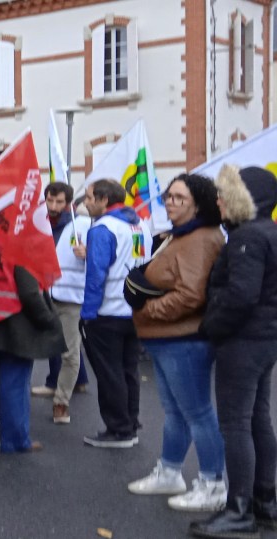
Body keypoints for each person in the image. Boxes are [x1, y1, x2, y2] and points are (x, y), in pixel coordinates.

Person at [122, 173, 227, 511]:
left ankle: (213, 484)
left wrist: (148, 310)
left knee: (198, 413)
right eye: (168, 195)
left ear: (198, 204)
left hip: (183, 340)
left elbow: (191, 295)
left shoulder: (200, 238)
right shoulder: (180, 235)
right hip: (166, 338)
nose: (170, 202)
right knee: (176, 412)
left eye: (179, 198)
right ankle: (169, 472)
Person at [191, 166, 277, 538]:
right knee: (257, 419)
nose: (220, 201)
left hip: (243, 342)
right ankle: (264, 501)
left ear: (245, 198)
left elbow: (242, 295)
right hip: (264, 339)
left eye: (226, 194)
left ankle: (239, 510)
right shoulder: (268, 231)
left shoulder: (247, 238)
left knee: (236, 424)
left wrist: (212, 324)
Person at [0, 231, 66, 453]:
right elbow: (29, 293)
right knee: (15, 383)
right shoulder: (23, 244)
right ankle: (15, 439)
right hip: (17, 324)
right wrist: (49, 320)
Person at [77, 180, 152, 448]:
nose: (86, 203)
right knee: (129, 370)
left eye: (89, 198)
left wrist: (88, 313)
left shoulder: (103, 228)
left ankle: (118, 430)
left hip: (108, 312)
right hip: (135, 310)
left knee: (110, 373)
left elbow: (96, 275)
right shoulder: (141, 224)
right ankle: (130, 422)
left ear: (104, 200)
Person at [31, 183, 92, 424]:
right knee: (40, 346)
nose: (54, 206)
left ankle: (61, 402)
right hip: (43, 296)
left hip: (71, 299)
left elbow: (104, 256)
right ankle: (58, 383)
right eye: (50, 200)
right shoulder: (40, 224)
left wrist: (88, 252)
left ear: (68, 203)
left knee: (70, 353)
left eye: (59, 202)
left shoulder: (82, 225)